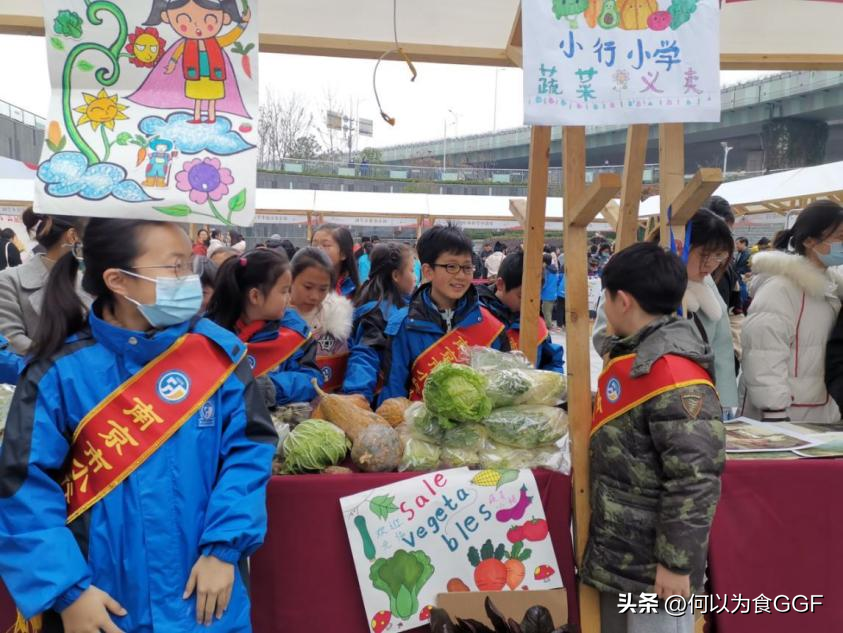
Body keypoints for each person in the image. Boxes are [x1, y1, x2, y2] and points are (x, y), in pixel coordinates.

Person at [0, 219, 276, 631]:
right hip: (102, 603)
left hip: (203, 598)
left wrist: (224, 548)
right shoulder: (60, 373)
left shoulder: (219, 357)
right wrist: (68, 592)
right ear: (118, 280)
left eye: (191, 265)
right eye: (175, 267)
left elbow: (249, 453)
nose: (191, 279)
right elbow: (22, 489)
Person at [583, 242, 724, 633]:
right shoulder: (637, 357)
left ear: (622, 300)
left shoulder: (674, 373)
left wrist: (676, 564)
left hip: (657, 571)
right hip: (626, 557)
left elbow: (694, 479)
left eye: (605, 298)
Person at [741, 200, 843, 423]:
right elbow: (764, 352)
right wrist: (774, 410)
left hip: (822, 411)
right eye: (839, 237)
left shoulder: (832, 287)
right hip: (786, 416)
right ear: (809, 240)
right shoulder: (781, 288)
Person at [381, 224, 507, 401]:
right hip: (418, 426)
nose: (461, 276)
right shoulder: (404, 325)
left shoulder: (491, 325)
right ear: (428, 271)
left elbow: (503, 392)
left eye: (466, 267)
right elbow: (393, 393)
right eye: (451, 266)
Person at [208, 249, 322, 407]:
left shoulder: (294, 331)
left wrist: (269, 387)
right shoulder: (209, 332)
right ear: (255, 296)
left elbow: (312, 379)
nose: (290, 298)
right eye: (284, 291)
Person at [0, 209, 87, 355]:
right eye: (84, 234)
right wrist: (63, 364)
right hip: (38, 374)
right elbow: (12, 340)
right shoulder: (9, 280)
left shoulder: (85, 281)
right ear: (72, 236)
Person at [342, 243, 417, 403]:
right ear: (396, 276)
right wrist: (358, 394)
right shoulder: (376, 313)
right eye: (411, 270)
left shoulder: (408, 307)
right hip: (384, 402)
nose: (415, 277)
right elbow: (365, 354)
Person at [682, 210, 739, 413]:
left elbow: (722, 346)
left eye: (719, 256)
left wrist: (723, 402)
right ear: (682, 245)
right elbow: (607, 335)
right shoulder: (645, 276)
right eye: (705, 254)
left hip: (706, 397)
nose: (712, 264)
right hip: (658, 394)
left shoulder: (706, 282)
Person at [477, 252, 564, 373]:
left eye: (534, 298)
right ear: (500, 284)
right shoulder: (475, 317)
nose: (528, 304)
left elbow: (551, 360)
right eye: (521, 296)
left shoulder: (536, 320)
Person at [290, 247, 354, 393]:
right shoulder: (274, 317)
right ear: (290, 279)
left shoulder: (336, 320)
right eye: (308, 287)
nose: (314, 296)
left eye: (322, 289)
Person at [311, 224, 360, 298]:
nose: (318, 250)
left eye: (325, 245)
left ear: (343, 254)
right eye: (314, 245)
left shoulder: (357, 294)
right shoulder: (299, 287)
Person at [540, 253, 559, 331]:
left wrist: (540, 289)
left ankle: (548, 326)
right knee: (549, 310)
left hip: (546, 294)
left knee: (546, 311)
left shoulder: (546, 271)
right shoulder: (554, 269)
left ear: (544, 262)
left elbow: (544, 283)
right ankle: (549, 324)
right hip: (553, 293)